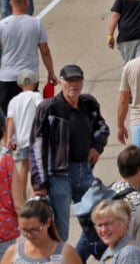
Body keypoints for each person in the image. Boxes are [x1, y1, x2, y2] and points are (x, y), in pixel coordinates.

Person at [30, 64, 110, 241]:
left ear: (82, 82)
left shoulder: (88, 104)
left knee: (98, 222)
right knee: (60, 230)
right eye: (69, 80)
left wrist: (96, 146)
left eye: (77, 80)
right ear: (60, 82)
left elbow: (102, 127)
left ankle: (80, 257)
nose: (73, 84)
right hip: (59, 176)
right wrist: (39, 184)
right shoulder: (48, 108)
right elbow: (37, 146)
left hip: (84, 171)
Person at [0, 0, 55, 114]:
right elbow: (45, 51)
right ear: (26, 3)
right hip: (29, 78)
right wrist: (51, 72)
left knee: (8, 118)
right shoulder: (36, 24)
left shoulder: (2, 25)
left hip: (6, 77)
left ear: (10, 3)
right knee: (29, 116)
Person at [0, 198, 81, 264]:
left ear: (48, 222)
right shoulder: (13, 252)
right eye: (24, 230)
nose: (28, 235)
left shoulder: (66, 253)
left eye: (34, 230)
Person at [5, 70, 41, 211]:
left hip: (21, 140)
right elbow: (41, 112)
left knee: (24, 168)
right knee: (35, 168)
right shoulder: (36, 96)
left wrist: (9, 138)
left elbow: (10, 121)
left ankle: (20, 198)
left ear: (19, 84)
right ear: (35, 83)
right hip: (34, 138)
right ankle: (33, 197)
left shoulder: (13, 101)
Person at [93, 200, 140, 264]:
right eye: (99, 225)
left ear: (125, 222)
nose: (103, 230)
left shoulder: (129, 253)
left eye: (109, 223)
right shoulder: (111, 250)